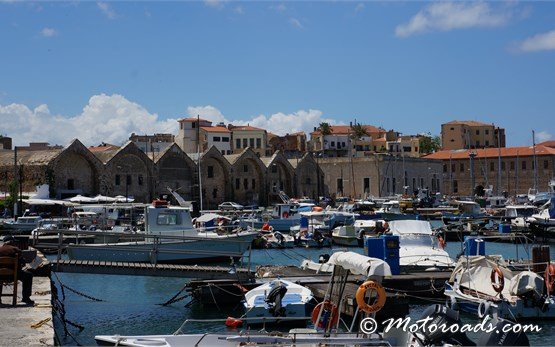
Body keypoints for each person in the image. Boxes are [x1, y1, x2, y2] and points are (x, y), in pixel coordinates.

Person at [0, 235, 34, 305]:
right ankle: (26, 298)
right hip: (13, 275)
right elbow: (21, 264)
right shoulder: (16, 250)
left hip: (0, 276)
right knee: (28, 275)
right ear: (11, 242)